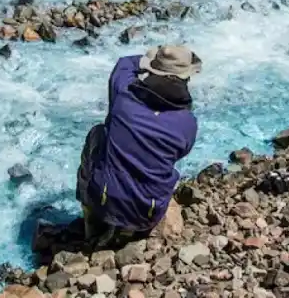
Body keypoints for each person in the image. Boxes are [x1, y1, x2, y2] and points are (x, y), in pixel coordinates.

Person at [76, 45, 200, 248]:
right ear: (186, 78)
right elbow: (180, 153)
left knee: (98, 133)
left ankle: (91, 224)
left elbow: (124, 64)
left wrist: (149, 59)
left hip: (105, 202)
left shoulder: (123, 96)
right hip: (148, 212)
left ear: (152, 70)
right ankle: (129, 230)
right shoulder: (188, 123)